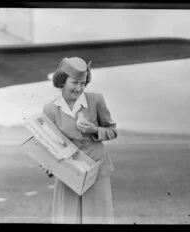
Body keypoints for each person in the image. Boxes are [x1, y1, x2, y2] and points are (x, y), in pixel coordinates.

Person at [42, 57, 118, 224]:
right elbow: (48, 146)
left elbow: (112, 131)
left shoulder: (96, 100)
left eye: (83, 83)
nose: (79, 88)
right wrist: (47, 164)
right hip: (68, 173)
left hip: (96, 172)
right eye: (74, 83)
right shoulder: (50, 109)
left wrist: (94, 130)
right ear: (62, 81)